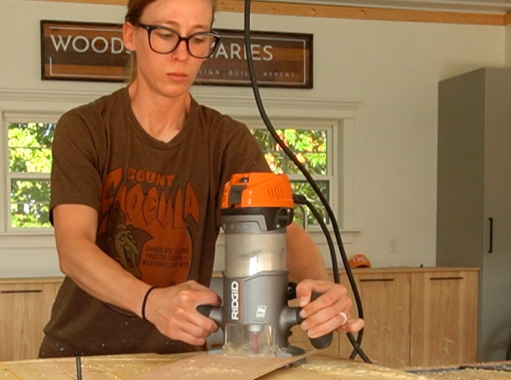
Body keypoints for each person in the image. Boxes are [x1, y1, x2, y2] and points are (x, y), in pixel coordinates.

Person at [39, 0, 363, 358]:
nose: (182, 55)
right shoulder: (87, 127)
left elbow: (281, 230)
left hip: (179, 363)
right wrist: (150, 303)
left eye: (198, 38)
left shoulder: (226, 141)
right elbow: (74, 248)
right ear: (130, 35)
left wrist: (316, 289)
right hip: (79, 357)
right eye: (165, 34)